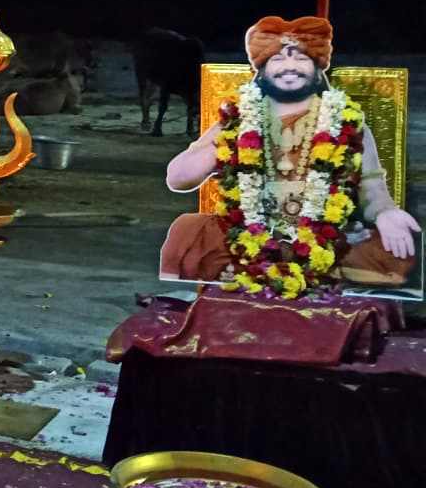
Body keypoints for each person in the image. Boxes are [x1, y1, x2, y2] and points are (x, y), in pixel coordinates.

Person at [160, 15, 419, 295]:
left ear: (318, 67)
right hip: (249, 235)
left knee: (398, 253)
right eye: (278, 59)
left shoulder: (346, 122)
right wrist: (223, 144)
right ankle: (269, 272)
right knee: (187, 234)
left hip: (327, 238)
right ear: (261, 69)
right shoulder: (238, 119)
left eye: (301, 58)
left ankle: (286, 274)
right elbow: (177, 179)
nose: (290, 67)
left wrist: (385, 212)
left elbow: (372, 187)